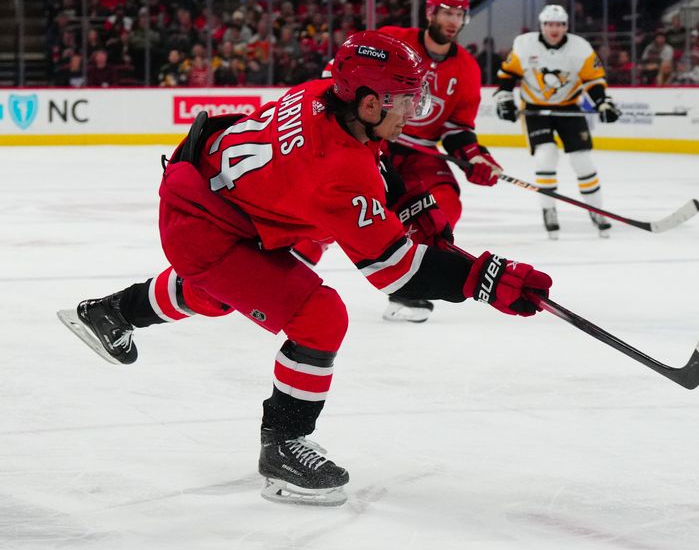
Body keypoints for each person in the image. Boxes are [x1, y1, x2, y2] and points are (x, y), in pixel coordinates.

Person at [57, 31, 553, 508]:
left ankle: (111, 313)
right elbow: (398, 274)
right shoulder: (335, 174)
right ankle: (283, 446)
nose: (412, 112)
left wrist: (405, 201)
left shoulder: (325, 95)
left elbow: (371, 156)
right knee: (319, 315)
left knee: (224, 291)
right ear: (368, 103)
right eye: (404, 100)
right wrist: (483, 279)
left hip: (223, 197)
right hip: (205, 225)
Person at [370, 0, 506, 322]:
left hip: (421, 153)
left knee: (444, 202)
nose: (453, 20)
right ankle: (294, 260)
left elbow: (457, 128)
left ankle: (406, 288)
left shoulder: (467, 69)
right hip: (375, 141)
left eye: (459, 14)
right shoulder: (392, 40)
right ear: (430, 12)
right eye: (447, 12)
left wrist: (475, 157)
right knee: (347, 198)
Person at [494, 4, 620, 240]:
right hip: (534, 109)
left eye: (560, 24)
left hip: (568, 107)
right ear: (542, 26)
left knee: (582, 161)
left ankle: (596, 210)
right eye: (550, 24)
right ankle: (549, 209)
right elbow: (508, 75)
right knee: (546, 156)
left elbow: (593, 80)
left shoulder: (580, 48)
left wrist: (603, 103)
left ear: (566, 26)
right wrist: (505, 100)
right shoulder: (524, 45)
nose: (555, 29)